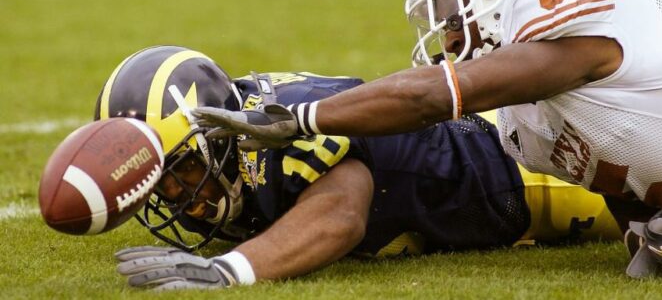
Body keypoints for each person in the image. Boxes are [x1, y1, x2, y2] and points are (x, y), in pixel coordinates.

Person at [190, 0, 662, 278]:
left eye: (452, 9)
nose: (448, 35)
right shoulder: (524, 128)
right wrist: (649, 238)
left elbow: (431, 98)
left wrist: (301, 119)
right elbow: (619, 183)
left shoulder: (568, 8)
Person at [100, 46, 621, 291]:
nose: (177, 197)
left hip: (534, 172)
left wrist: (230, 268)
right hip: (497, 148)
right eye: (161, 181)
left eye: (184, 173)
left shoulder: (279, 129)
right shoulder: (233, 151)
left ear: (219, 141)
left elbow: (340, 215)